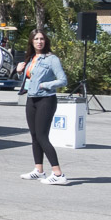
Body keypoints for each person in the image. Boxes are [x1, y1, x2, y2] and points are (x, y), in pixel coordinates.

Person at [18, 30, 68, 184]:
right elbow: (28, 79)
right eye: (36, 39)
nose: (39, 42)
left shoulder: (52, 59)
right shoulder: (31, 58)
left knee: (42, 136)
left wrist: (45, 85)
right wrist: (19, 71)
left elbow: (63, 80)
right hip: (31, 99)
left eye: (42, 39)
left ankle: (58, 174)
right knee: (34, 135)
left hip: (46, 99)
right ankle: (38, 170)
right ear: (31, 42)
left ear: (45, 41)